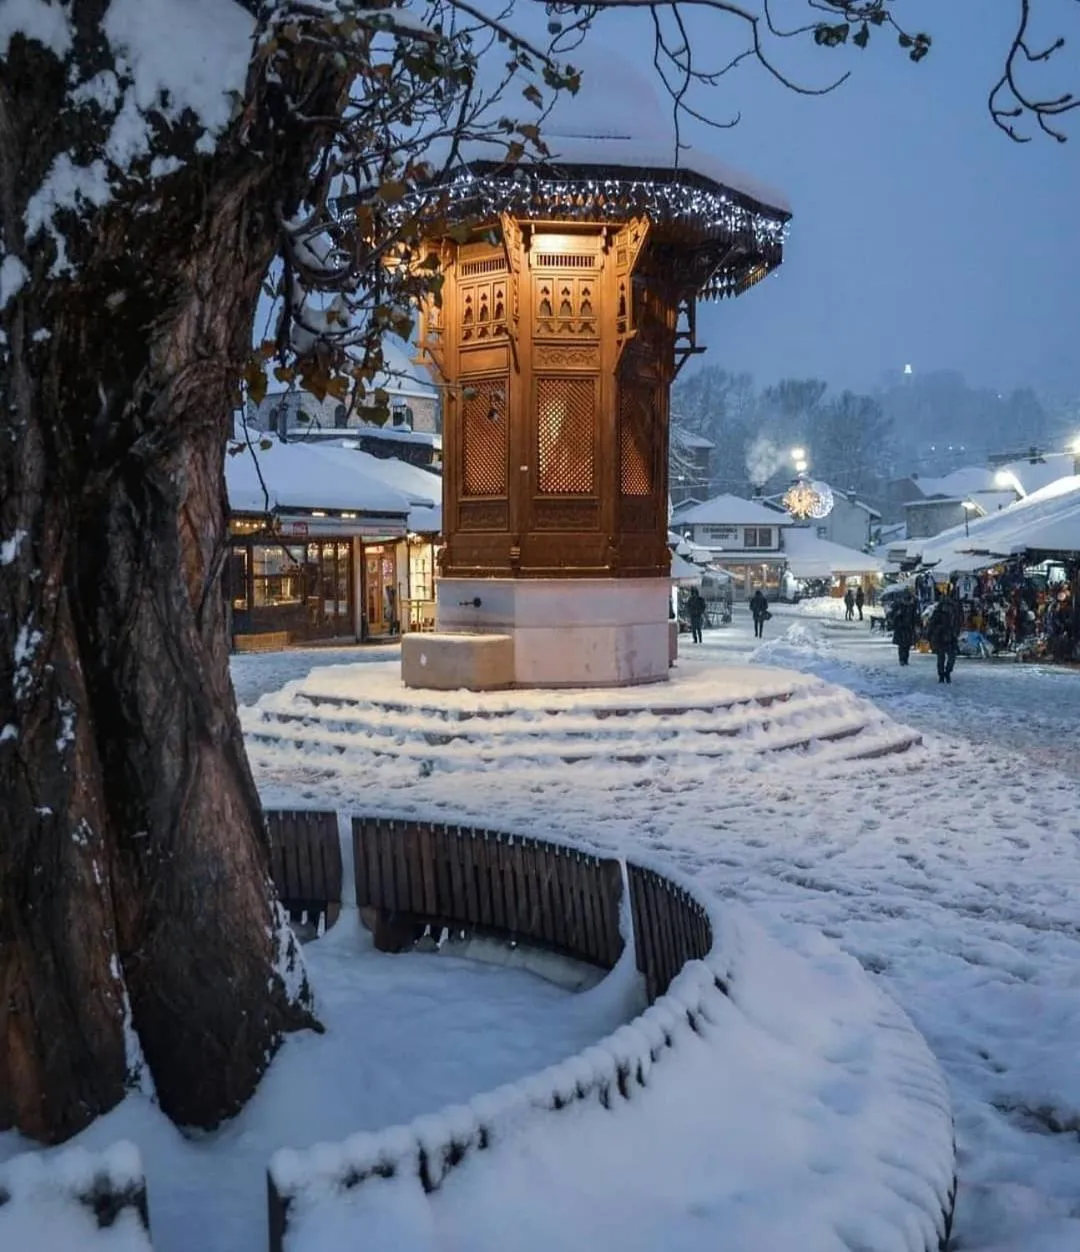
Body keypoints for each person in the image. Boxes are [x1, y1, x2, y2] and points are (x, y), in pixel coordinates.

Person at [926, 588, 962, 683]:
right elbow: (932, 624)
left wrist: (956, 632)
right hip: (941, 636)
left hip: (950, 636)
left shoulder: (954, 611)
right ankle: (942, 674)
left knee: (949, 657)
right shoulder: (939, 612)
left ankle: (946, 673)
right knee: (943, 657)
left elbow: (957, 623)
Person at [892, 587, 918, 667]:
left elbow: (914, 616)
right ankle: (902, 659)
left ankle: (905, 659)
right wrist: (897, 614)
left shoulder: (912, 604)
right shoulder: (899, 604)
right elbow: (893, 615)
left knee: (906, 645)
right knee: (902, 644)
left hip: (908, 627)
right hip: (901, 627)